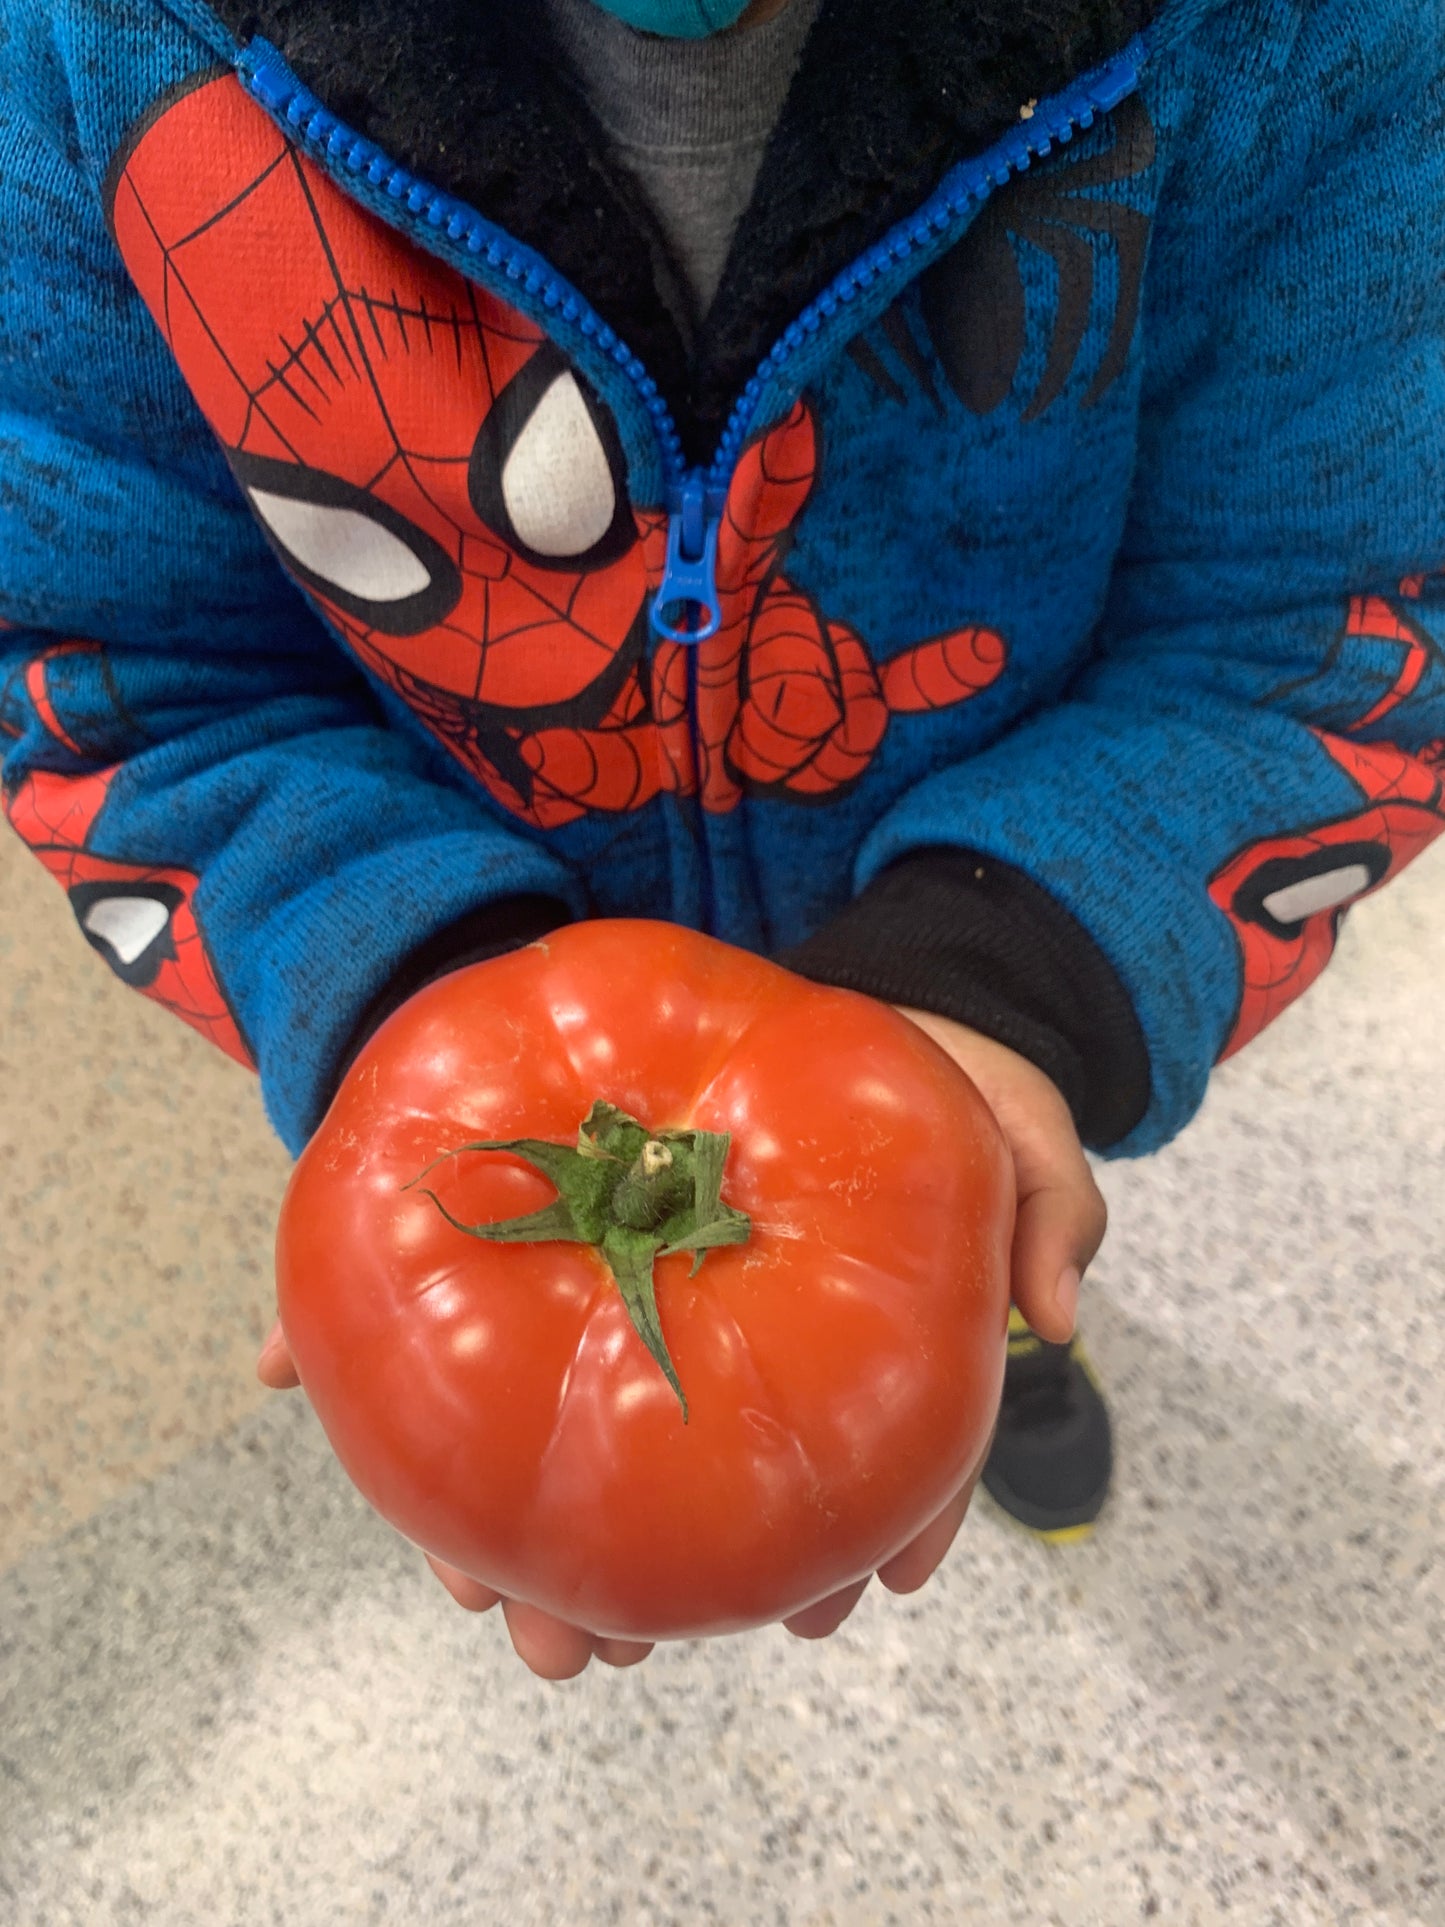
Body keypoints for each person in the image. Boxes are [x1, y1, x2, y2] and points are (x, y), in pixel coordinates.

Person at [1, 0, 1441, 1678]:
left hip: (1005, 895)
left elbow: (1337, 620)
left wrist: (1011, 990)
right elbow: (115, 672)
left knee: (1012, 1219)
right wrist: (417, 988)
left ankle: (1011, 1325)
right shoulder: (80, 58)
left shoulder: (1323, 44)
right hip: (483, 966)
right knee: (961, 1224)